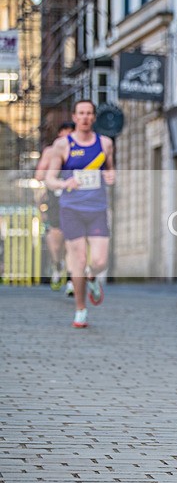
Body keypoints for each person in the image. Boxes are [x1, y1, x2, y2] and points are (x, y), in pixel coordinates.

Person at [45, 100, 115, 328]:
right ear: (75, 117)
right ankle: (80, 310)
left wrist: (110, 177)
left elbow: (109, 170)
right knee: (78, 260)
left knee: (100, 261)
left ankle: (92, 277)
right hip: (72, 209)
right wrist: (66, 183)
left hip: (97, 209)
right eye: (81, 113)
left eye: (89, 113)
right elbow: (50, 178)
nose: (85, 117)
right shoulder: (62, 145)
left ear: (94, 117)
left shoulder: (105, 144)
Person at [34, 121, 76, 291]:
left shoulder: (82, 150)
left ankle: (72, 278)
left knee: (74, 237)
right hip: (56, 198)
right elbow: (39, 175)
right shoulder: (51, 151)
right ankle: (57, 264)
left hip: (76, 198)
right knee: (56, 237)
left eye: (71, 133)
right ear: (59, 134)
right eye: (64, 132)